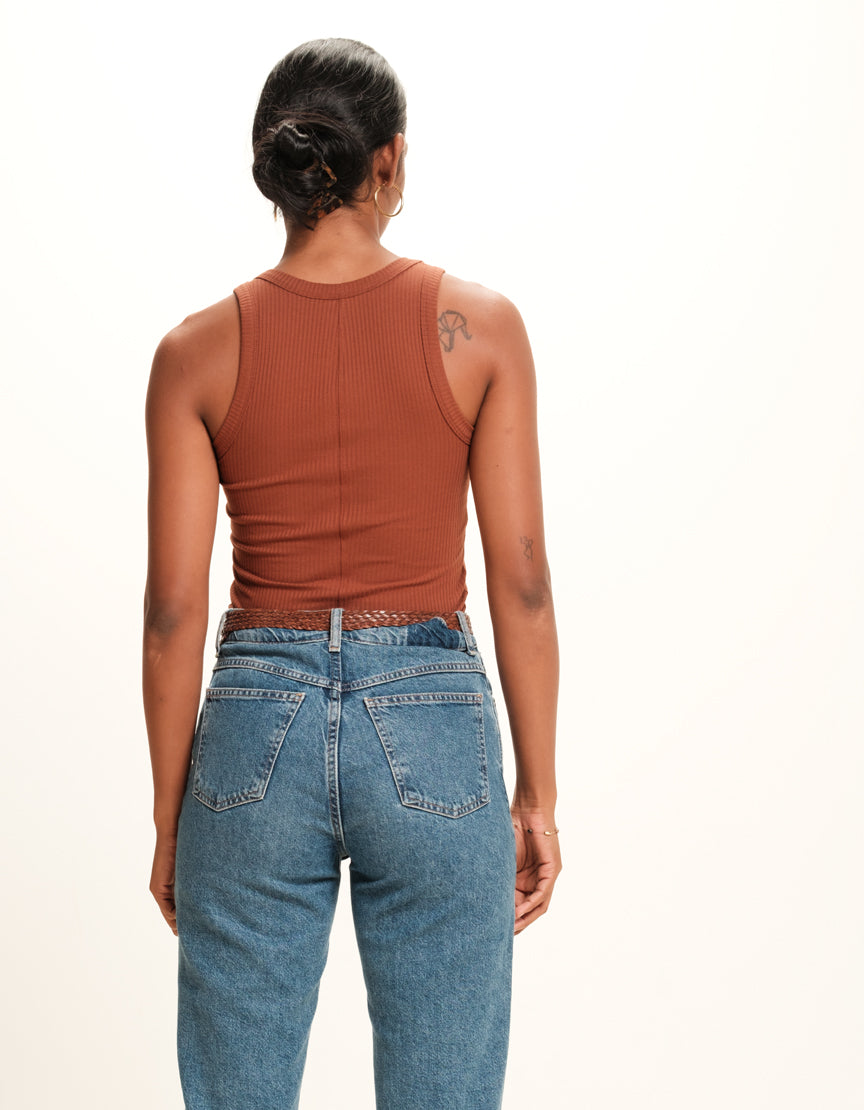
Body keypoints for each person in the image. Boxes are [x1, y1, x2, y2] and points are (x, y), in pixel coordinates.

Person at [143, 37, 561, 1110]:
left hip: (254, 726)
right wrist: (538, 792)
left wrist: (172, 818)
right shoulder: (480, 332)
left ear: (275, 169)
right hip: (432, 721)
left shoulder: (195, 352)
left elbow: (174, 611)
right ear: (391, 160)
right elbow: (521, 585)